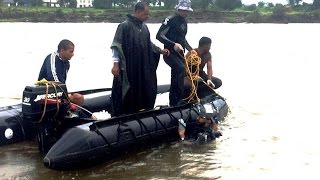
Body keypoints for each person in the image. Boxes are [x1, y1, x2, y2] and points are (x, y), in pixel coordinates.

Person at [110, 2, 169, 116]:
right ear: (137, 11)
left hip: (142, 66)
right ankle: (122, 113)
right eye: (145, 14)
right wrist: (116, 64)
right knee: (127, 89)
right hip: (129, 66)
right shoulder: (124, 26)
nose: (147, 17)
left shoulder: (144, 27)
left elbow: (149, 44)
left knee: (145, 86)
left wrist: (160, 51)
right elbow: (116, 45)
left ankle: (140, 111)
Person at [156, 0, 195, 106]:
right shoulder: (170, 19)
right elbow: (159, 35)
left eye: (187, 11)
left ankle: (176, 100)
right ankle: (176, 100)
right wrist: (173, 44)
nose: (185, 13)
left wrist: (190, 49)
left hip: (180, 54)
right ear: (178, 9)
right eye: (183, 10)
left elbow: (182, 39)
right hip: (169, 53)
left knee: (180, 73)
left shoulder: (184, 22)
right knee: (180, 68)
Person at [38, 39, 84, 106]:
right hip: (46, 92)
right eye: (71, 52)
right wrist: (65, 94)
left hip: (58, 91)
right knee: (78, 98)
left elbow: (63, 81)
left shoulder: (67, 63)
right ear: (62, 50)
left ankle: (70, 112)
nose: (73, 54)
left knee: (78, 97)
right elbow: (53, 78)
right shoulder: (52, 58)